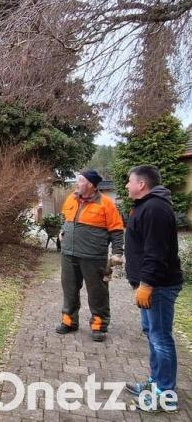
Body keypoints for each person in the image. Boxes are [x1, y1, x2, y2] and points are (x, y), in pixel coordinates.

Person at [123, 165, 183, 413]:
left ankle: (165, 395)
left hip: (158, 286)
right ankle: (156, 382)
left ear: (141, 184)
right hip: (148, 285)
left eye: (129, 181)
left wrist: (146, 284)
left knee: (160, 339)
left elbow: (156, 252)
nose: (126, 185)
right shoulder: (145, 206)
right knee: (152, 334)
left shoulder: (155, 209)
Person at [56, 170, 124, 342]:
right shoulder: (72, 198)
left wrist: (117, 253)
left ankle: (98, 325)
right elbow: (65, 218)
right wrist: (62, 230)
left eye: (80, 181)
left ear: (91, 185)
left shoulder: (106, 204)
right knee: (69, 289)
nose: (77, 184)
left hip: (94, 257)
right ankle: (69, 321)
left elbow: (116, 230)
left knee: (97, 292)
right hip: (69, 255)